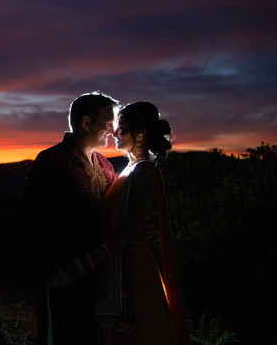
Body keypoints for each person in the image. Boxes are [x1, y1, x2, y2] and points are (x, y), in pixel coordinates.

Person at [52, 101, 190, 345]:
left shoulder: (144, 173)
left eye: (122, 128)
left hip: (134, 273)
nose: (115, 133)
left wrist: (80, 265)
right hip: (120, 266)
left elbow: (130, 231)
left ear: (141, 133)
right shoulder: (129, 170)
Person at [22, 91, 118, 345]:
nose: (113, 130)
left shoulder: (106, 167)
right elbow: (32, 220)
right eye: (108, 123)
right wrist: (47, 272)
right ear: (86, 123)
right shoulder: (52, 160)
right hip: (61, 278)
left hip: (97, 276)